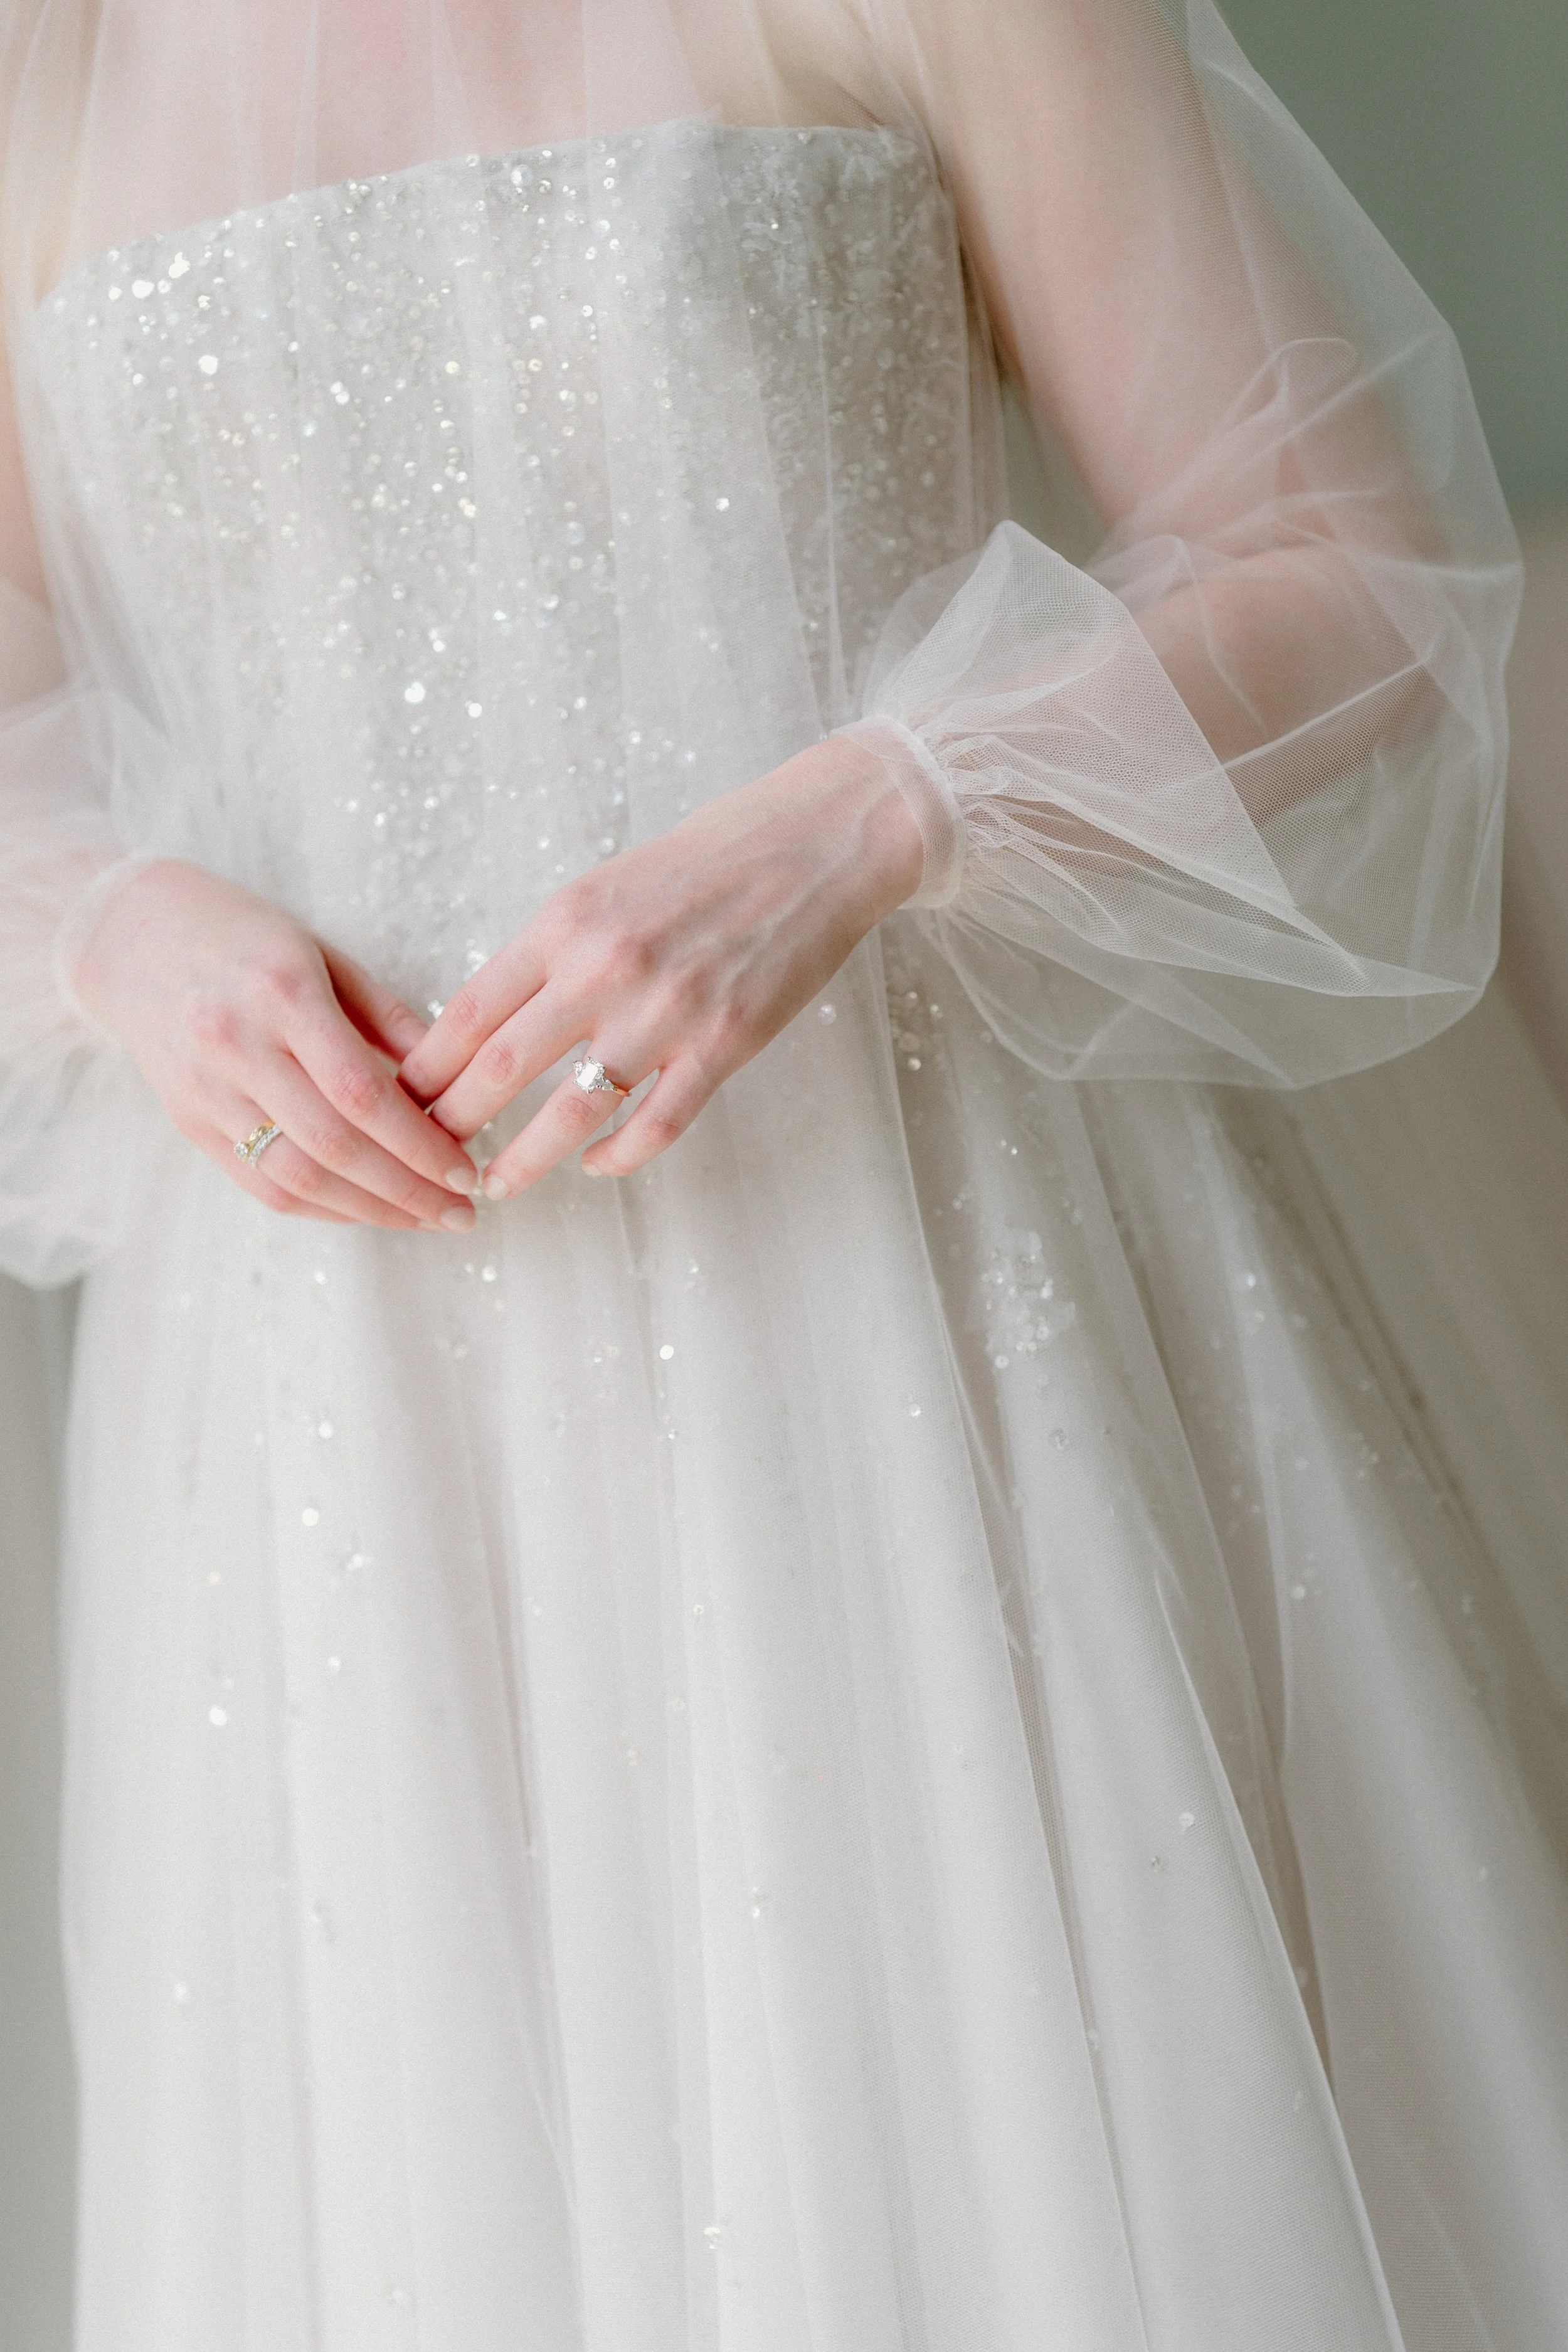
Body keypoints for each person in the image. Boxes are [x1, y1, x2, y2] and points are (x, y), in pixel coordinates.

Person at [1, 0, 1564, 2343]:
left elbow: (1351, 567)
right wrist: (117, 925)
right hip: (345, 1443)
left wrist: (873, 810)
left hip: (932, 1332)